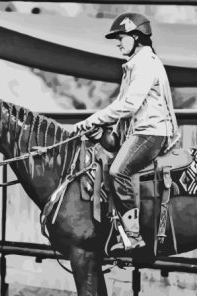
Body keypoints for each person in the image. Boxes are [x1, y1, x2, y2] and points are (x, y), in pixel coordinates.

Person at [74, 12, 179, 253]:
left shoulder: (145, 63)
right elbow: (125, 114)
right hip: (141, 131)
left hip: (151, 133)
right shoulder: (135, 64)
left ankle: (133, 235)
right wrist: (100, 130)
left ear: (136, 36)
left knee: (117, 170)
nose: (118, 43)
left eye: (121, 37)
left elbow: (129, 105)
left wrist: (94, 117)